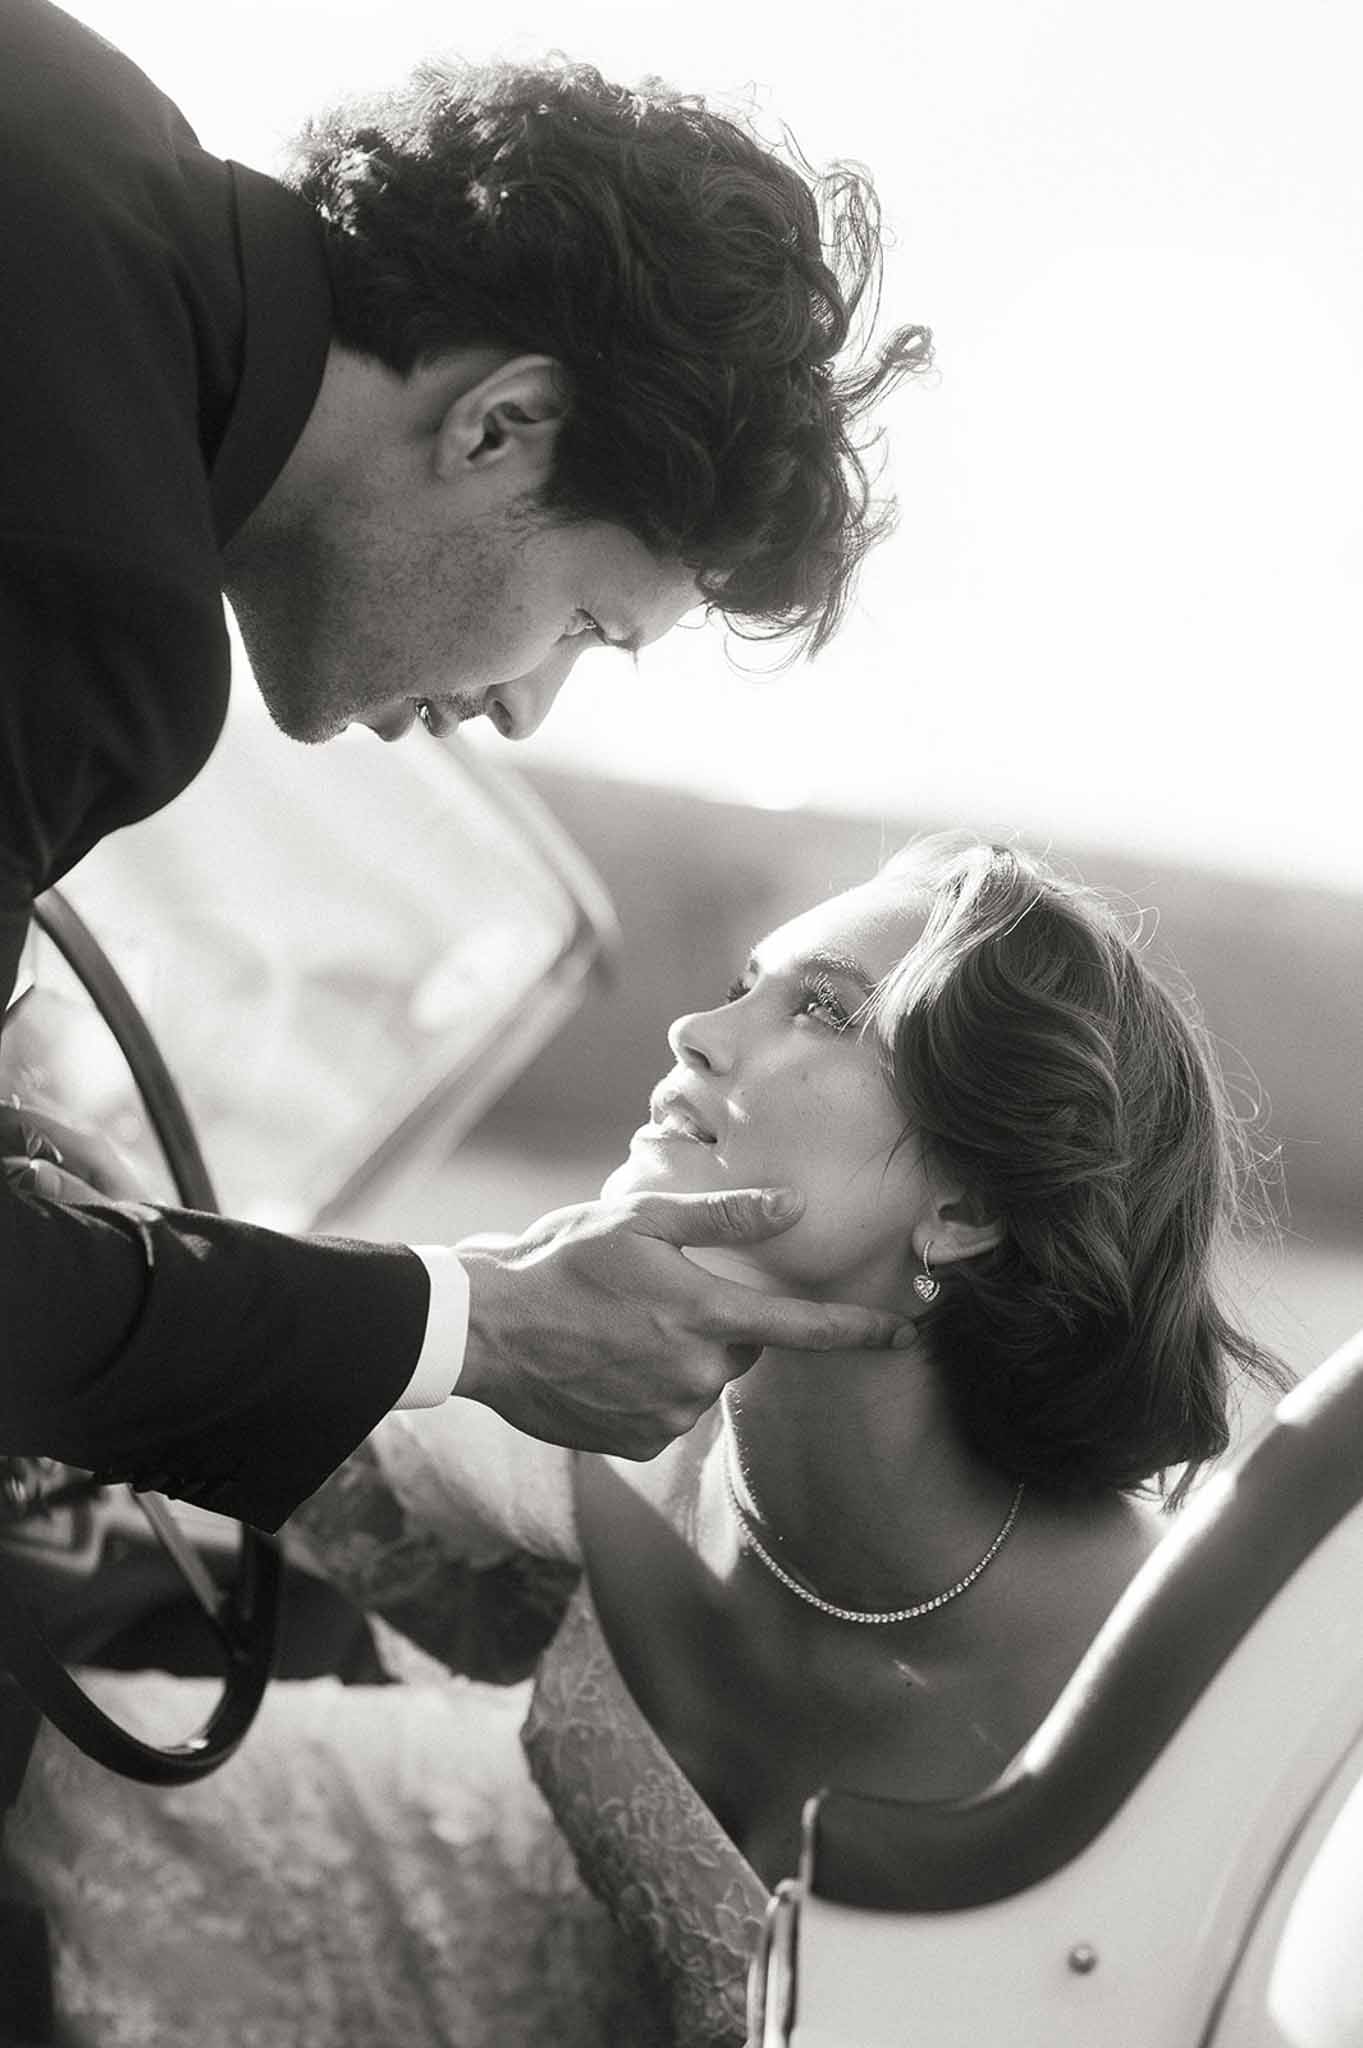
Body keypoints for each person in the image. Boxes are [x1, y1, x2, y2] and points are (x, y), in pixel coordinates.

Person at [7, 835, 1288, 2047]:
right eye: (744, 986)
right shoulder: (581, 1382)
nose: (696, 1028)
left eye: (824, 1009)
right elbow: (347, 1432)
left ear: (964, 1210)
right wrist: (128, 1241)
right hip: (486, 1926)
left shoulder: (1166, 1697)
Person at [0, 0, 931, 1531]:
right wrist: (473, 1324)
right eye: (580, 622)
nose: (522, 710)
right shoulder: (98, 606)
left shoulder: (67, 104)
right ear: (503, 424)